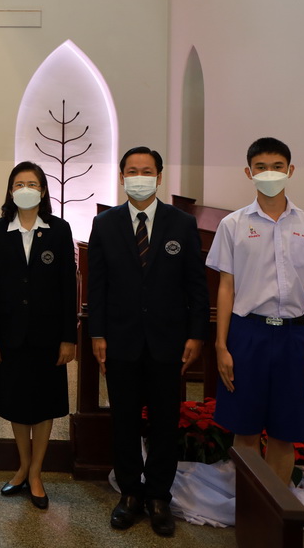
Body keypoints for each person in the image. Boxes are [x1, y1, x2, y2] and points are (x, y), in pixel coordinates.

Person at [87, 147, 209, 537]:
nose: (139, 177)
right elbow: (97, 285)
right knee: (123, 420)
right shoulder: (105, 224)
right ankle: (129, 494)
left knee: (164, 422)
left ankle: (158, 496)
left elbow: (196, 285)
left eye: (147, 171)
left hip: (167, 340)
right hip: (120, 339)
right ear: (122, 176)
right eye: (132, 171)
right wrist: (97, 333)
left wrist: (196, 333)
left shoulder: (182, 224)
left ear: (158, 176)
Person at [207, 137, 304, 486]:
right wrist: (221, 345)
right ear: (249, 173)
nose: (270, 174)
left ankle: (276, 506)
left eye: (277, 167)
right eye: (261, 167)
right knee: (245, 429)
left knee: (284, 433)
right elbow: (226, 287)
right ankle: (250, 506)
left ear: (290, 170)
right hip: (249, 333)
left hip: (294, 336)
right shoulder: (232, 225)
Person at [0, 161, 77, 511]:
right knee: (17, 403)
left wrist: (69, 337)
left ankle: (36, 472)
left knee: (44, 403)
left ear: (43, 190)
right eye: (19, 183)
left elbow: (68, 286)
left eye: (32, 183)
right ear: (10, 191)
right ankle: (22, 466)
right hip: (10, 334)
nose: (25, 189)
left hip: (48, 335)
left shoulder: (58, 230)